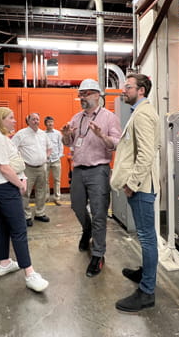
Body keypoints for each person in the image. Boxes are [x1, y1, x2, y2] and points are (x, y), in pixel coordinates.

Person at [61, 79, 121, 277]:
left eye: (86, 94)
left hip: (98, 170)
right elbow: (69, 143)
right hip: (78, 170)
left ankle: (98, 254)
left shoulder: (109, 118)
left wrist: (101, 135)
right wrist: (66, 135)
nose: (82, 98)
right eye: (81, 94)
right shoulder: (76, 118)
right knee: (77, 207)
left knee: (99, 212)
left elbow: (116, 144)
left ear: (97, 95)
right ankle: (87, 231)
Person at [0, 107, 49, 292]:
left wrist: (23, 178)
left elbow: (13, 161)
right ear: (1, 119)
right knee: (19, 229)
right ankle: (29, 273)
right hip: (4, 187)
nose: (14, 120)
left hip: (7, 185)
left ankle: (4, 262)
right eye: (11, 118)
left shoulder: (2, 137)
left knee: (5, 224)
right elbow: (3, 167)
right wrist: (20, 184)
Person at [110, 73, 160, 312]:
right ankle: (145, 273)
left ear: (141, 90)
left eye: (128, 87)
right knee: (144, 235)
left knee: (147, 237)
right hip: (142, 186)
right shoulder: (139, 113)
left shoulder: (143, 114)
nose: (123, 91)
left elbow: (147, 154)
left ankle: (147, 291)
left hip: (142, 188)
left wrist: (132, 183)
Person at [12, 113, 52, 227]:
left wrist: (45, 157)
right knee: (25, 192)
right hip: (27, 168)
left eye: (38, 119)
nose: (36, 121)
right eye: (33, 119)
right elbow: (12, 148)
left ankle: (40, 213)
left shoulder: (43, 134)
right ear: (28, 121)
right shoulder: (21, 134)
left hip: (42, 168)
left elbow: (49, 148)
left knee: (41, 191)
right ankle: (26, 216)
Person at [44, 116, 64, 206]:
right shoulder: (42, 134)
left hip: (56, 159)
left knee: (57, 180)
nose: (50, 124)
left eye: (52, 122)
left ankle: (57, 198)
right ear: (45, 124)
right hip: (46, 160)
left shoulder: (58, 133)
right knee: (45, 180)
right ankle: (46, 197)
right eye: (48, 122)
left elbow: (61, 145)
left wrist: (59, 155)